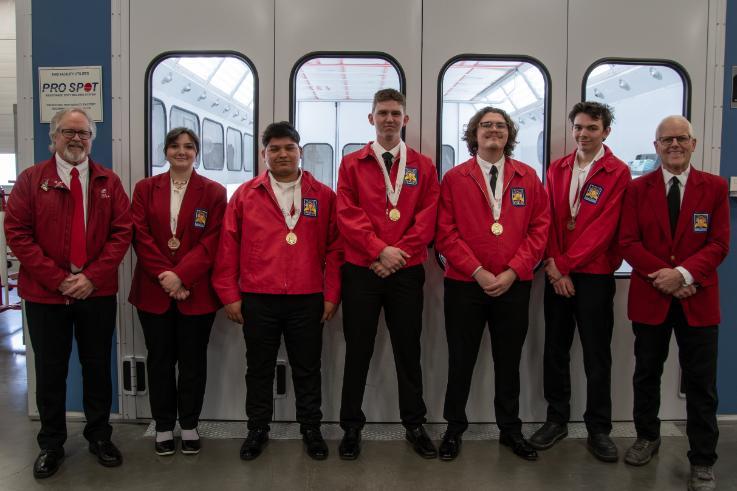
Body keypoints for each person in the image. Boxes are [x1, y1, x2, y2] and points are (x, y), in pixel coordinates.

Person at [4, 107, 132, 478]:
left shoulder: (109, 181)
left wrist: (91, 276)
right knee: (50, 370)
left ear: (92, 139)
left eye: (83, 133)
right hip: (46, 296)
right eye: (67, 132)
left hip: (97, 292)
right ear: (54, 137)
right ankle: (51, 445)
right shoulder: (31, 181)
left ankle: (99, 437)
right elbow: (18, 234)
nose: (76, 139)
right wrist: (58, 279)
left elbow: (121, 233)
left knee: (97, 367)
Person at [213, 121, 342, 461]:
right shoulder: (245, 195)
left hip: (307, 296)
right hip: (258, 297)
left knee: (307, 367)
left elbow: (335, 249)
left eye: (289, 148)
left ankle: (311, 428)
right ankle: (257, 429)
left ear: (300, 152)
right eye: (275, 149)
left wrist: (331, 294)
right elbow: (228, 246)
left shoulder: (323, 195)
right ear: (264, 154)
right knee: (258, 367)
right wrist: (229, 294)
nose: (282, 154)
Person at [619, 115, 729, 491]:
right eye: (666, 140)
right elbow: (628, 243)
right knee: (646, 374)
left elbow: (718, 244)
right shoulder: (637, 190)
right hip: (651, 298)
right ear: (656, 147)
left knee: (702, 384)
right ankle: (647, 438)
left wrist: (682, 275)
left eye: (681, 138)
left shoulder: (713, 188)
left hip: (697, 299)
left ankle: (702, 459)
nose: (674, 145)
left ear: (694, 144)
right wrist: (666, 277)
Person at [435, 106, 550, 461]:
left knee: (508, 360)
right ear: (474, 134)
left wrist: (513, 271)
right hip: (465, 285)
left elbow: (539, 229)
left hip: (514, 286)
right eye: (486, 125)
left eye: (500, 126)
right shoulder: (455, 178)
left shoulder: (528, 177)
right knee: (460, 360)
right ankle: (454, 429)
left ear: (509, 134)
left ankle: (511, 430)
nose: (493, 131)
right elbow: (445, 233)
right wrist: (478, 271)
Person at [336, 88, 440, 460]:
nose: (389, 119)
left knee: (408, 350)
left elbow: (428, 217)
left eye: (396, 113)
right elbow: (347, 214)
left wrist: (397, 255)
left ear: (405, 119)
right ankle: (351, 426)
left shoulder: (424, 166)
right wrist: (379, 250)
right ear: (371, 118)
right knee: (358, 350)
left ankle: (414, 423)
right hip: (362, 270)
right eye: (382, 113)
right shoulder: (352, 163)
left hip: (406, 271)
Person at [529, 102, 630, 462]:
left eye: (591, 128)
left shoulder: (617, 172)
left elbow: (604, 229)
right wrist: (555, 265)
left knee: (596, 355)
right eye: (579, 128)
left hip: (594, 276)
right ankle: (556, 419)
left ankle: (598, 428)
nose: (584, 134)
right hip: (558, 274)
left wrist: (565, 265)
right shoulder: (558, 168)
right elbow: (549, 218)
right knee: (555, 350)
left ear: (605, 131)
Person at [129, 127, 226, 456]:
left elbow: (213, 240)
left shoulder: (213, 192)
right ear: (165, 151)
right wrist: (166, 276)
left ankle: (189, 424)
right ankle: (163, 425)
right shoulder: (145, 189)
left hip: (195, 292)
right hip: (153, 291)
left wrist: (182, 275)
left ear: (196, 152)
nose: (181, 151)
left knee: (193, 362)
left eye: (188, 146)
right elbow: (140, 236)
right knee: (159, 361)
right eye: (174, 146)